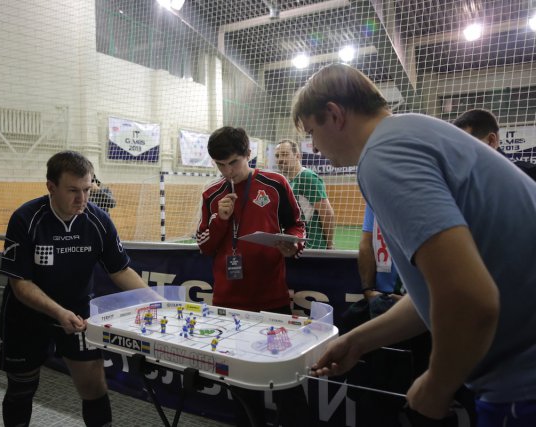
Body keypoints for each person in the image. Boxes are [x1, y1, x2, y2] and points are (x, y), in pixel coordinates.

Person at [292, 63, 536, 426]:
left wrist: (437, 384)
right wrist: (358, 341)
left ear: (335, 114)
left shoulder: (384, 156)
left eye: (312, 132)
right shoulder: (413, 132)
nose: (313, 146)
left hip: (522, 386)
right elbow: (435, 295)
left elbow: (469, 296)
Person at [0, 150, 150, 427]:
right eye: (72, 191)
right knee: (22, 388)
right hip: (26, 317)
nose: (82, 199)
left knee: (94, 387)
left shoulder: (98, 220)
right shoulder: (26, 218)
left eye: (87, 190)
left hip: (78, 315)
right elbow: (20, 284)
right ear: (51, 187)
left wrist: (157, 302)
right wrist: (58, 312)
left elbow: (120, 271)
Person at [196, 126, 312, 426]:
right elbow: (204, 245)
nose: (228, 171)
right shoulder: (211, 194)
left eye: (233, 162)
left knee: (286, 381)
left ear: (249, 154)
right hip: (228, 306)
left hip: (272, 302)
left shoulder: (275, 183)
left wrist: (292, 245)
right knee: (242, 389)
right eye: (220, 165)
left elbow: (297, 225)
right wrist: (220, 220)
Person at [274, 139, 336, 249]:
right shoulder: (290, 182)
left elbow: (327, 214)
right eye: (277, 156)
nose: (280, 159)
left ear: (297, 156)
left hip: (314, 247)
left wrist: (329, 245)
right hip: (300, 247)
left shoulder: (307, 177)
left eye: (285, 154)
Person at [453, 108, 536, 181]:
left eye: (465, 147)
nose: (460, 154)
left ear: (491, 141)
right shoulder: (457, 182)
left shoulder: (528, 176)